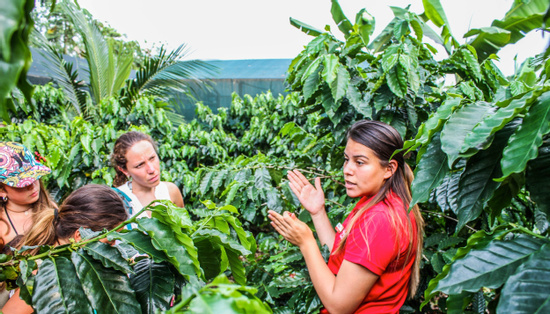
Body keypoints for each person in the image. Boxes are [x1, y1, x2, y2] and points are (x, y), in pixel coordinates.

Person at [268, 120, 424, 313]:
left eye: (360, 162)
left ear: (389, 169)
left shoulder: (380, 220)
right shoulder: (378, 202)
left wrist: (306, 243)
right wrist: (318, 212)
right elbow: (345, 257)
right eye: (346, 159)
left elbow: (338, 305)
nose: (347, 170)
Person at [1, 184, 129, 314]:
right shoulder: (43, 278)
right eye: (110, 241)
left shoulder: (81, 267)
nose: (114, 248)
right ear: (81, 235)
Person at [111, 131, 184, 219]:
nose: (151, 170)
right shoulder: (116, 203)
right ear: (124, 170)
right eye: (139, 165)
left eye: (152, 158)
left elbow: (183, 228)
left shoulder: (171, 191)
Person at [0, 142, 55, 249]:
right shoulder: (2, 226)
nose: (32, 186)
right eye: (22, 184)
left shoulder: (50, 208)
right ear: (2, 190)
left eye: (34, 177)